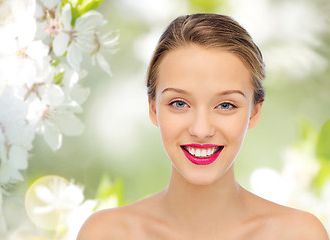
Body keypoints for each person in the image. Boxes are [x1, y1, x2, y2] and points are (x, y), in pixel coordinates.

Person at [77, 13, 329, 239]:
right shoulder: (106, 233)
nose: (201, 130)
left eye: (226, 105)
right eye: (179, 103)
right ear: (153, 108)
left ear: (255, 111)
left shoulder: (298, 234)